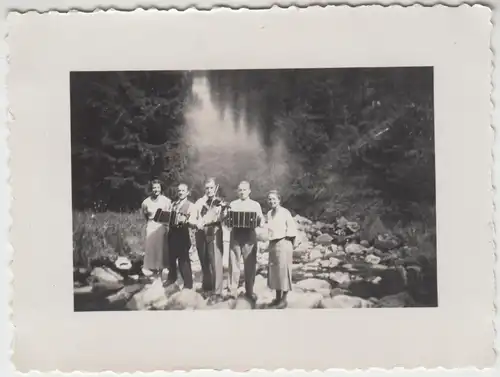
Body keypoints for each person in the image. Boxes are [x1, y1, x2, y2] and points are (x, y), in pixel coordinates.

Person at [226, 181, 265, 302]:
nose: (242, 192)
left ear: (249, 191)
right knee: (234, 264)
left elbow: (261, 219)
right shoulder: (232, 204)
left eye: (244, 190)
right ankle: (232, 291)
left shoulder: (255, 205)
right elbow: (227, 221)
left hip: (249, 236)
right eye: (240, 190)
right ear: (237, 192)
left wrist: (260, 221)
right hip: (236, 235)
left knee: (250, 264)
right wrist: (226, 218)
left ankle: (249, 291)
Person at [193, 178, 227, 303]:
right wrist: (197, 222)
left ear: (215, 187)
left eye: (211, 188)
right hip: (201, 231)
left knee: (215, 260)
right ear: (204, 189)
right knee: (203, 259)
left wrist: (222, 210)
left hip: (214, 230)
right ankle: (207, 286)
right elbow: (194, 216)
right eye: (207, 188)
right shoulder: (199, 202)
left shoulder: (219, 202)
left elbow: (223, 218)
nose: (209, 190)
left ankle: (217, 292)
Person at [265, 189, 298, 309]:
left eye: (274, 199)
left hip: (284, 243)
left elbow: (292, 229)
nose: (271, 201)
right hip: (273, 244)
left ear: (279, 200)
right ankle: (277, 298)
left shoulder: (285, 212)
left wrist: (289, 243)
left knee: (284, 271)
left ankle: (284, 300)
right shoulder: (269, 213)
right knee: (275, 271)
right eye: (269, 199)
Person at [165, 183, 196, 289]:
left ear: (187, 192)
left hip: (183, 233)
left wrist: (186, 220)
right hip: (172, 232)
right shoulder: (173, 204)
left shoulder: (191, 205)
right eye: (179, 191)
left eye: (183, 191)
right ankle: (172, 278)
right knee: (171, 258)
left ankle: (188, 284)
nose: (180, 193)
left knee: (184, 260)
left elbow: (193, 220)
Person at [141, 179, 172, 278]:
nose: (156, 190)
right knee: (151, 248)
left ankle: (161, 269)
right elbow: (145, 215)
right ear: (151, 189)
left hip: (161, 226)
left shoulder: (166, 201)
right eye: (154, 188)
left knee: (161, 248)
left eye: (158, 187)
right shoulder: (146, 202)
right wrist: (151, 222)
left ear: (161, 188)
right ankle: (152, 269)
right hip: (151, 226)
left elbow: (169, 214)